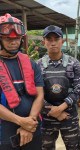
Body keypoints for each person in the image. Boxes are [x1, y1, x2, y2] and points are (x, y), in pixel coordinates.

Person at [0, 13, 44, 149]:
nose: (14, 42)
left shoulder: (31, 64)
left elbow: (40, 95)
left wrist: (29, 125)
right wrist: (21, 121)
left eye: (17, 39)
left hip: (33, 128)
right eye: (8, 39)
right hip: (5, 133)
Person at [36, 25, 80, 150]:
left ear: (62, 41)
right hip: (47, 118)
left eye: (56, 39)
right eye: (49, 39)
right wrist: (53, 112)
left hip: (69, 116)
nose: (53, 43)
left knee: (74, 146)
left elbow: (79, 90)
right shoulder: (38, 65)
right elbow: (36, 93)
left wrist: (61, 109)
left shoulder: (73, 63)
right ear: (43, 42)